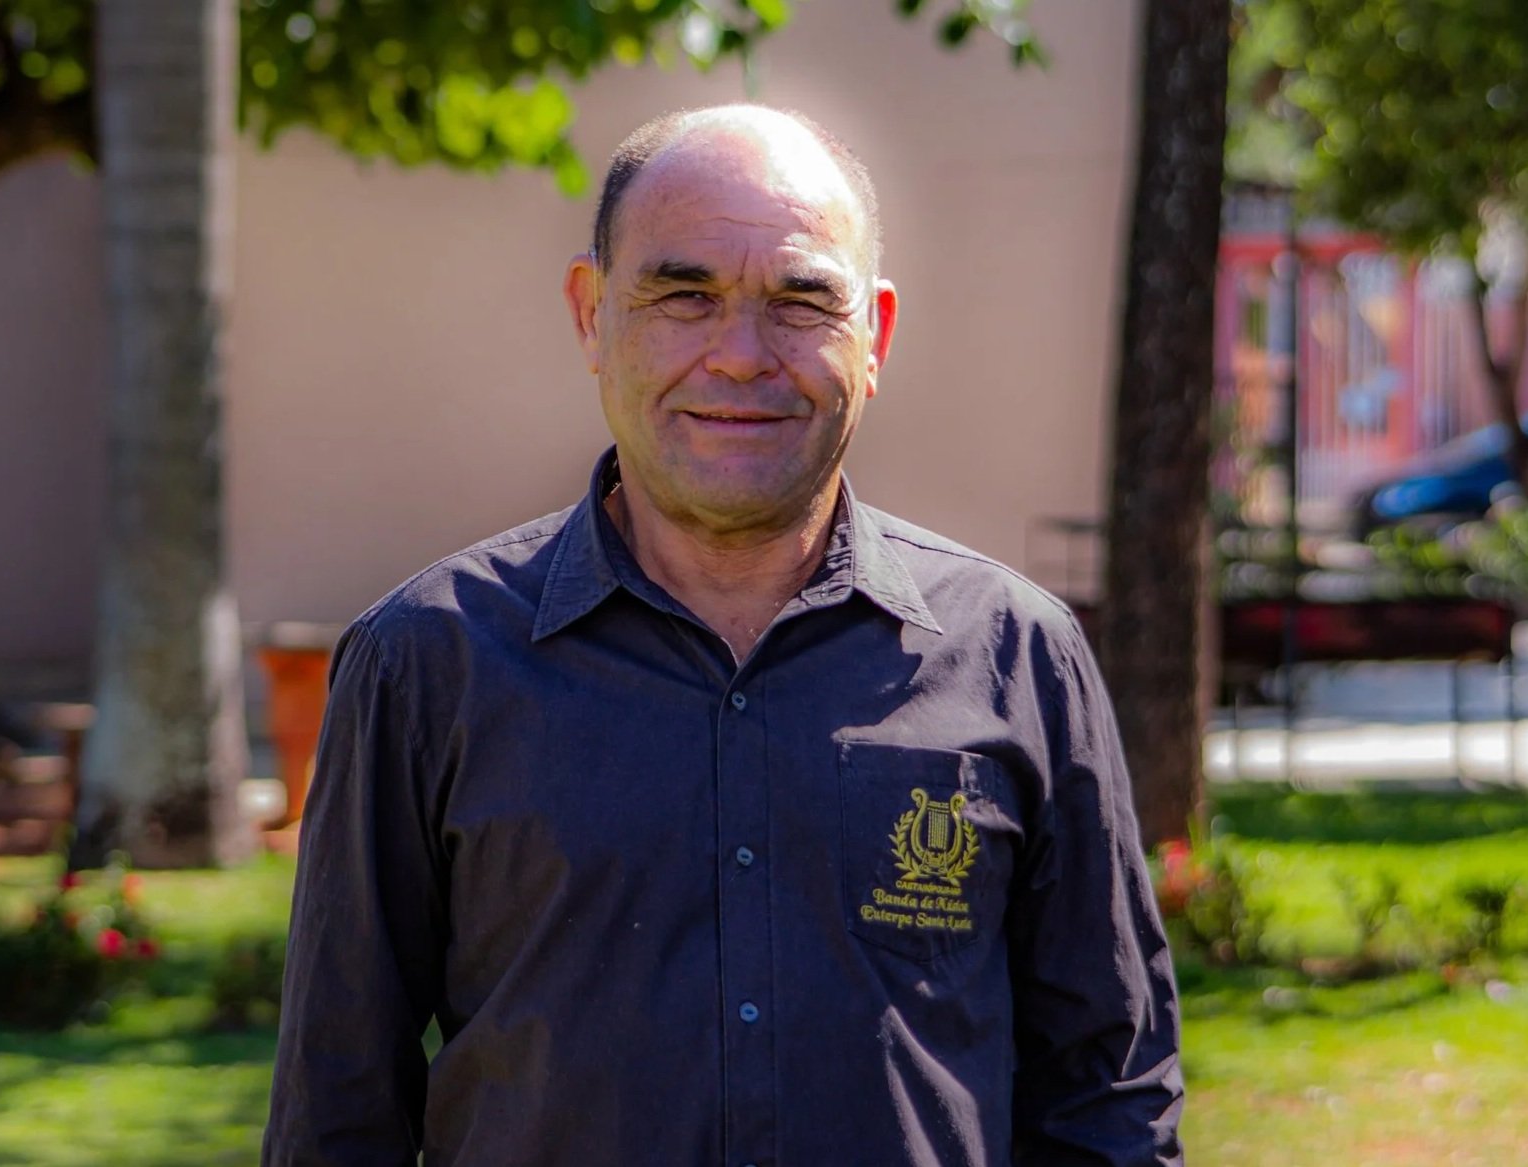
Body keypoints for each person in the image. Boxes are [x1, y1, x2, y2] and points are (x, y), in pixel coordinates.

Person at [263, 104, 1183, 1166]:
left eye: (799, 301)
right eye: (682, 295)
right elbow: (337, 1112)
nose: (740, 356)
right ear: (590, 315)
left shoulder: (1017, 656)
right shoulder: (429, 662)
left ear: (871, 336)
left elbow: (1107, 1095)